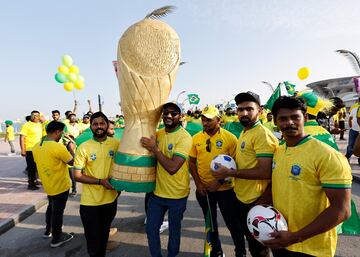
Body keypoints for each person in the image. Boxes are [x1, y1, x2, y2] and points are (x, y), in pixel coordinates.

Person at [264, 96, 352, 257]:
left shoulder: (327, 155)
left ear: (304, 118)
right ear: (275, 122)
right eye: (283, 119)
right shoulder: (279, 151)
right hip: (281, 239)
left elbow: (342, 210)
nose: (289, 122)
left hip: (312, 248)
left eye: (295, 117)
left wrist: (295, 237)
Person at [213, 91, 278, 257]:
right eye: (240, 109)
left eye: (249, 109)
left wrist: (230, 172)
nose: (244, 113)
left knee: (259, 249)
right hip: (242, 197)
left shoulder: (262, 134)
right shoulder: (245, 131)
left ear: (260, 111)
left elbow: (265, 171)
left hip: (256, 200)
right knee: (251, 243)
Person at [189, 105, 246, 257]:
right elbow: (191, 162)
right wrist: (198, 184)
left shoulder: (230, 138)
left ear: (218, 120)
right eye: (203, 119)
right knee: (210, 223)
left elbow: (235, 164)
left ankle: (240, 252)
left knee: (232, 223)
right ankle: (217, 251)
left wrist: (219, 182)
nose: (205, 123)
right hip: (204, 190)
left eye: (209, 120)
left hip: (226, 190)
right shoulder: (196, 138)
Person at [140, 102, 192, 257]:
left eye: (174, 113)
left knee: (174, 232)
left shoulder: (185, 138)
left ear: (181, 116)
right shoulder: (158, 134)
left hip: (177, 195)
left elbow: (172, 168)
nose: (168, 115)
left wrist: (155, 149)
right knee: (151, 229)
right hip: (157, 194)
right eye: (166, 113)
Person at [73, 112, 120, 257]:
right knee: (93, 241)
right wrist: (100, 182)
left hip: (110, 200)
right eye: (95, 124)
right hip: (90, 203)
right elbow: (77, 175)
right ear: (91, 126)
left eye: (102, 123)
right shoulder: (84, 147)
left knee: (104, 235)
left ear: (107, 125)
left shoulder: (116, 144)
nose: (98, 127)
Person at [32, 121, 75, 247]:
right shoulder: (58, 147)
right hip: (60, 184)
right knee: (58, 212)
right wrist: (71, 148)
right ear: (57, 132)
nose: (62, 135)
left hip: (48, 184)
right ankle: (57, 237)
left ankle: (48, 231)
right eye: (61, 133)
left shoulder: (36, 146)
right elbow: (72, 162)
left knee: (51, 207)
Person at [20, 110, 43, 190]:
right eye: (34, 115)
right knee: (31, 167)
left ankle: (35, 180)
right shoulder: (27, 125)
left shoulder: (39, 124)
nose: (36, 117)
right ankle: (30, 184)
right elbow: (22, 138)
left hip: (39, 149)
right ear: (31, 116)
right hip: (30, 149)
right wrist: (23, 150)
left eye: (37, 115)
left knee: (37, 167)